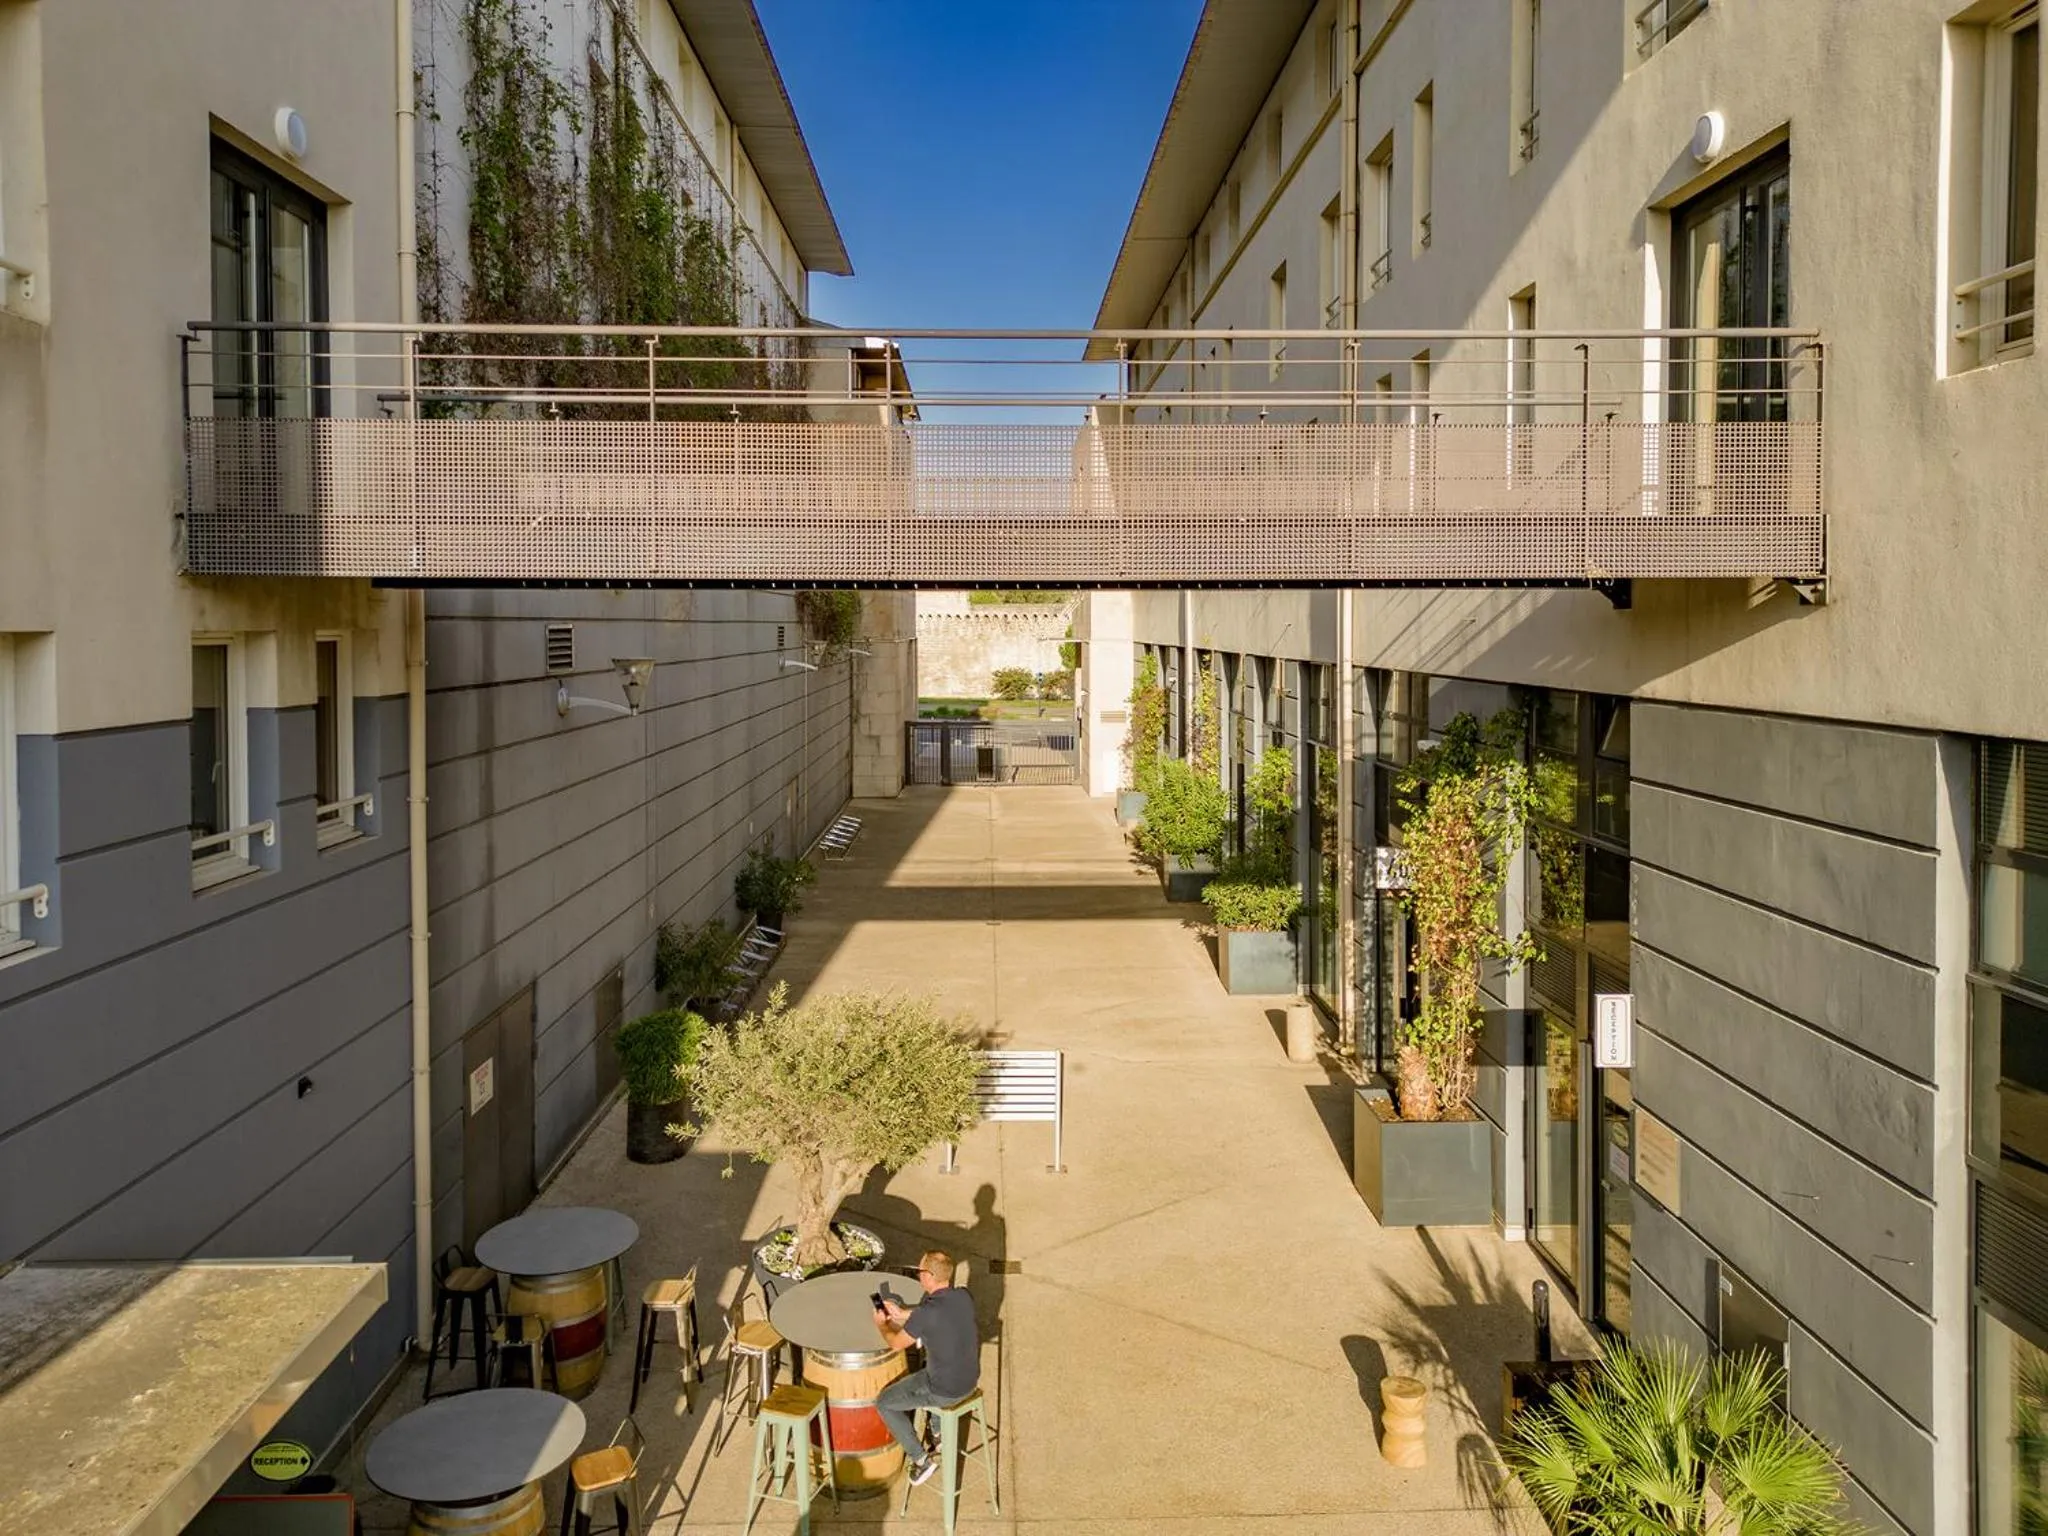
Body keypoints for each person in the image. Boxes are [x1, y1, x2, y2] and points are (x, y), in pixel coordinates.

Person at [872, 1248, 980, 1487]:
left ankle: (920, 1459)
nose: (918, 1275)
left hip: (944, 1391)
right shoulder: (964, 1296)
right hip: (970, 1382)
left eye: (919, 1271)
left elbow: (895, 1344)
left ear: (929, 1276)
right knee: (930, 1364)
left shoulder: (926, 1313)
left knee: (885, 1403)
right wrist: (903, 1314)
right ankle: (939, 1434)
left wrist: (882, 1324)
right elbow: (936, 1317)